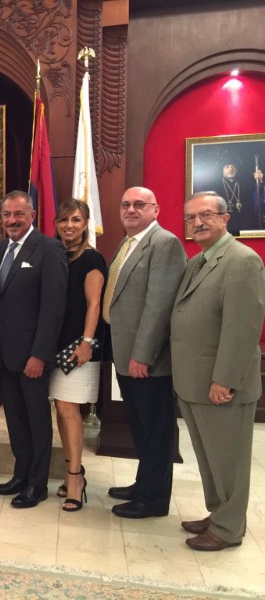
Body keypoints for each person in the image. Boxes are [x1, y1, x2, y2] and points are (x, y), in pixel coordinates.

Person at [172, 191, 265, 551]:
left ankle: (228, 530)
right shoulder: (198, 261)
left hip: (221, 384)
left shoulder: (242, 261)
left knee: (228, 460)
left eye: (206, 215)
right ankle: (219, 514)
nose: (198, 222)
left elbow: (243, 328)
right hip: (194, 381)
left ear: (225, 218)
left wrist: (225, 380)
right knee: (210, 458)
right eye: (191, 217)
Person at [103, 186, 186, 519]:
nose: (131, 209)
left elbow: (160, 305)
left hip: (147, 361)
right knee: (140, 427)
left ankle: (153, 500)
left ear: (156, 210)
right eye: (126, 204)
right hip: (125, 353)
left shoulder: (164, 243)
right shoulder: (128, 243)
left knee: (156, 430)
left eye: (139, 204)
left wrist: (143, 355)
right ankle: (143, 485)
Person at [0, 191, 68, 509]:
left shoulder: (49, 249)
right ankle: (20, 475)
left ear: (32, 215)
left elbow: (53, 308)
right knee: (15, 420)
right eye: (7, 215)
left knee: (37, 421)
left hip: (32, 357)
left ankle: (37, 483)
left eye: (19, 214)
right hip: (4, 356)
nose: (12, 220)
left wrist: (40, 354)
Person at [49, 199, 106, 512]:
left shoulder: (91, 259)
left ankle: (74, 479)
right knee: (61, 410)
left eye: (75, 220)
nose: (68, 225)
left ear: (85, 224)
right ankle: (73, 469)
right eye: (63, 220)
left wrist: (86, 342)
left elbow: (94, 304)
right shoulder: (56, 255)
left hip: (78, 349)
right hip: (55, 347)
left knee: (69, 409)